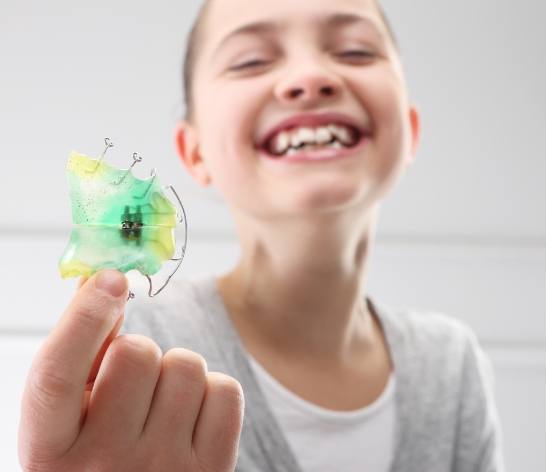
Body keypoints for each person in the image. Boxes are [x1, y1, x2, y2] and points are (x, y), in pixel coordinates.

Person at [18, 0, 505, 470]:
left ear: (410, 130)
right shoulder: (134, 344)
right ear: (195, 153)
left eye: (356, 50)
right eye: (250, 61)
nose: (310, 78)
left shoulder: (451, 364)